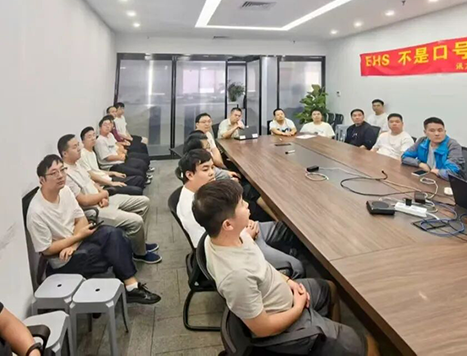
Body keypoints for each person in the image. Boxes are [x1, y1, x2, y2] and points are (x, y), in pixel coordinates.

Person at [193, 180, 378, 356]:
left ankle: (329, 345)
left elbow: (260, 265)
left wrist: (288, 281)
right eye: (241, 204)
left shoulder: (220, 237)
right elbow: (263, 329)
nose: (247, 205)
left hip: (282, 294)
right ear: (227, 224)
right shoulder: (236, 277)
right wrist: (298, 307)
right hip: (285, 324)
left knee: (330, 288)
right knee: (370, 346)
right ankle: (324, 339)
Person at [26, 155, 161, 304]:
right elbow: (47, 250)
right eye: (53, 173)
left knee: (115, 234)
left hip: (76, 241)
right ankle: (130, 287)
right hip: (63, 258)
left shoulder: (64, 191)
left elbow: (81, 219)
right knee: (115, 249)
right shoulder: (36, 212)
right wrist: (77, 239)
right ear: (42, 180)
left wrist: (74, 243)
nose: (60, 175)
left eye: (62, 170)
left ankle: (130, 286)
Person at [176, 149, 304, 278]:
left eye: (212, 167)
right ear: (190, 175)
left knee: (286, 228)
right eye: (205, 169)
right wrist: (246, 236)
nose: (212, 173)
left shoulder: (203, 192)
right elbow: (211, 247)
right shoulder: (192, 207)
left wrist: (243, 222)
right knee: (296, 266)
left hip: (241, 231)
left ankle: (290, 254)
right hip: (240, 246)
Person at [58, 135, 161, 264]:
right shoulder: (66, 175)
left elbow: (91, 182)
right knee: (136, 221)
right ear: (65, 153)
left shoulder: (77, 164)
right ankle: (139, 253)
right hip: (92, 210)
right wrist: (104, 194)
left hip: (101, 199)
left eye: (78, 145)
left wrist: (102, 193)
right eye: (75, 147)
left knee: (144, 202)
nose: (79, 148)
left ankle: (137, 243)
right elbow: (84, 201)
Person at [79, 126, 145, 195]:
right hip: (104, 184)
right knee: (137, 188)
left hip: (107, 178)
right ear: (83, 141)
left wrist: (113, 173)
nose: (93, 138)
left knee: (138, 179)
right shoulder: (82, 154)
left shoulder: (92, 152)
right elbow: (91, 175)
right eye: (89, 137)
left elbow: (97, 171)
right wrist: (111, 183)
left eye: (94, 135)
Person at [95, 115, 151, 183]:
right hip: (113, 166)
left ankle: (144, 179)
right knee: (138, 172)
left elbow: (116, 146)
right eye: (105, 125)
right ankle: (143, 181)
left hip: (120, 160)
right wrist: (120, 157)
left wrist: (122, 152)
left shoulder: (110, 135)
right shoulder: (100, 141)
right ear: (100, 127)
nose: (107, 126)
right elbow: (108, 158)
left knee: (141, 163)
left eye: (109, 124)